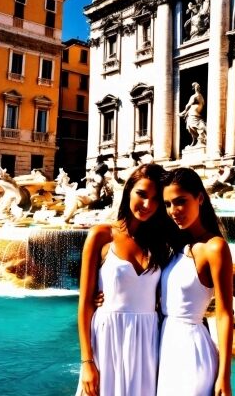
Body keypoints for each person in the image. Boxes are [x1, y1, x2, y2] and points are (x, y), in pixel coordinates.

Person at [76, 163, 174, 396]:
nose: (147, 204)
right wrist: (87, 362)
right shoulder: (101, 235)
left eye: (155, 199)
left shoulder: (161, 243)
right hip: (108, 337)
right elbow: (84, 306)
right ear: (128, 190)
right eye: (141, 194)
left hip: (148, 339)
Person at [158, 167, 234, 396]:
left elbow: (224, 314)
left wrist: (224, 375)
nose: (173, 211)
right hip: (165, 345)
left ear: (200, 198)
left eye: (180, 201)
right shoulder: (177, 245)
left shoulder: (215, 247)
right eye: (168, 204)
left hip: (192, 350)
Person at [179, 82, 207, 148]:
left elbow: (188, 105)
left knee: (191, 126)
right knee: (190, 127)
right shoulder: (201, 96)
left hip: (194, 115)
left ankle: (199, 140)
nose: (196, 88)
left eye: (196, 87)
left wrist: (183, 112)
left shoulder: (195, 96)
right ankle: (195, 141)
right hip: (194, 114)